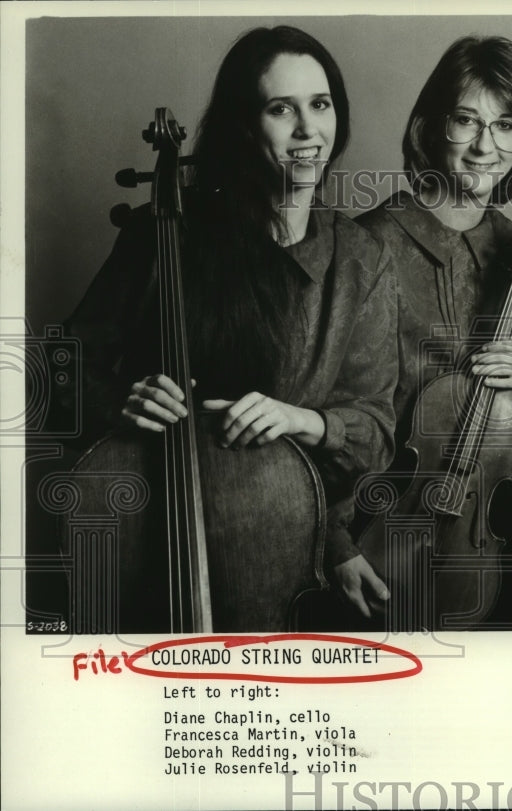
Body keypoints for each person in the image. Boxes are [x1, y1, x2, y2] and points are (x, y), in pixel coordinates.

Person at [60, 26, 398, 628]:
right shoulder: (167, 234)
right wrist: (118, 399)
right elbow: (57, 371)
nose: (307, 131)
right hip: (154, 531)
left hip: (285, 553)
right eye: (280, 109)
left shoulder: (362, 259)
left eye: (320, 105)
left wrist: (305, 421)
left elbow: (375, 429)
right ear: (246, 126)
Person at [353, 35, 512, 630]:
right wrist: (337, 542)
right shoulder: (366, 242)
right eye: (467, 121)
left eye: (506, 125)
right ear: (432, 127)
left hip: (481, 536)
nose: (488, 146)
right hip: (373, 527)